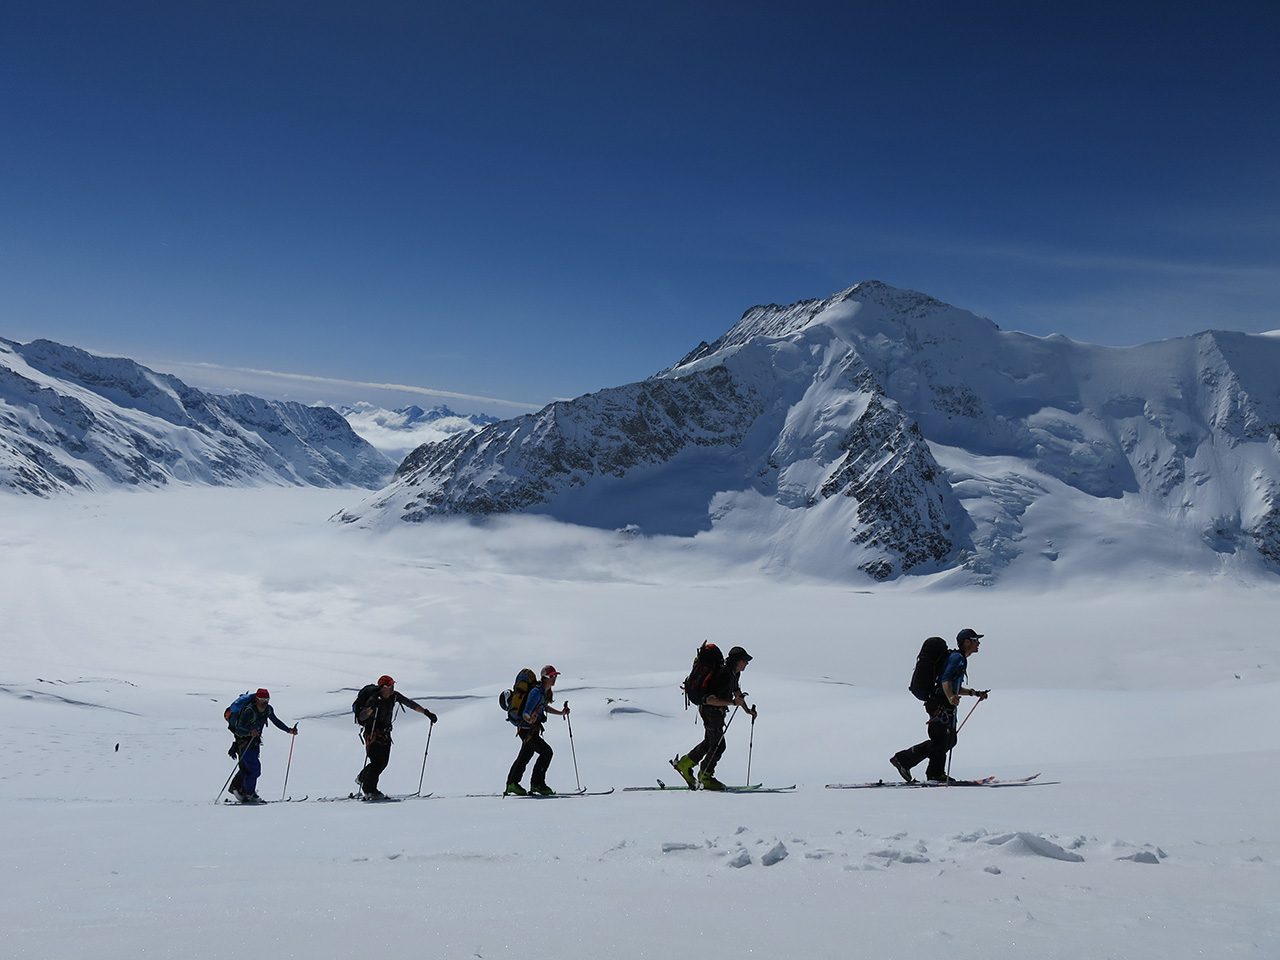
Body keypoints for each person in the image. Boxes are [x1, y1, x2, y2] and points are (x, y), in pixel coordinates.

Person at [890, 628, 989, 783]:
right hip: (940, 704)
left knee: (948, 740)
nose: (978, 643)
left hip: (941, 703)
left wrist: (974, 693)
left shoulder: (959, 658)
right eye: (975, 640)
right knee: (941, 740)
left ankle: (927, 769)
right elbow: (945, 680)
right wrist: (950, 697)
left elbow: (953, 685)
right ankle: (910, 762)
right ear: (967, 642)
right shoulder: (957, 658)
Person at [672, 645, 757, 791]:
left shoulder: (733, 673)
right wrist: (732, 703)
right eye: (744, 661)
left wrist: (747, 710)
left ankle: (685, 764)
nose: (746, 663)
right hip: (711, 711)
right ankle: (705, 776)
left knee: (710, 742)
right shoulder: (724, 674)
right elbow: (711, 699)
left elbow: (737, 693)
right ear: (737, 661)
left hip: (715, 712)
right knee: (718, 745)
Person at [354, 675, 438, 799]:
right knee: (377, 763)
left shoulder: (394, 696)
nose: (392, 687)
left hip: (385, 734)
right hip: (372, 734)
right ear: (383, 687)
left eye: (393, 685)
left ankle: (362, 778)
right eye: (390, 686)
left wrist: (426, 713)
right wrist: (372, 708)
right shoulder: (373, 699)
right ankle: (370, 790)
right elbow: (361, 717)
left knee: (383, 763)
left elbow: (410, 704)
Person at [505, 665, 569, 796]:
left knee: (526, 755)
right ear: (545, 678)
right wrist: (529, 719)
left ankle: (513, 783)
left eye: (555, 676)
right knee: (546, 752)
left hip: (529, 729)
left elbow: (544, 707)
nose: (554, 678)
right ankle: (537, 784)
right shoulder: (536, 692)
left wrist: (561, 713)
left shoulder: (543, 692)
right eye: (552, 676)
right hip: (526, 729)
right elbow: (526, 713)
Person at [228, 688, 297, 803]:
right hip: (244, 743)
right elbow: (238, 729)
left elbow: (276, 721)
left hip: (253, 743)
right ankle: (249, 793)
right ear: (257, 699)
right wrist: (250, 733)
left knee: (248, 768)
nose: (265, 702)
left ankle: (238, 788)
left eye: (267, 699)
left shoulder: (268, 710)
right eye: (262, 699)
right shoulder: (249, 711)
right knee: (254, 769)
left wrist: (288, 730)